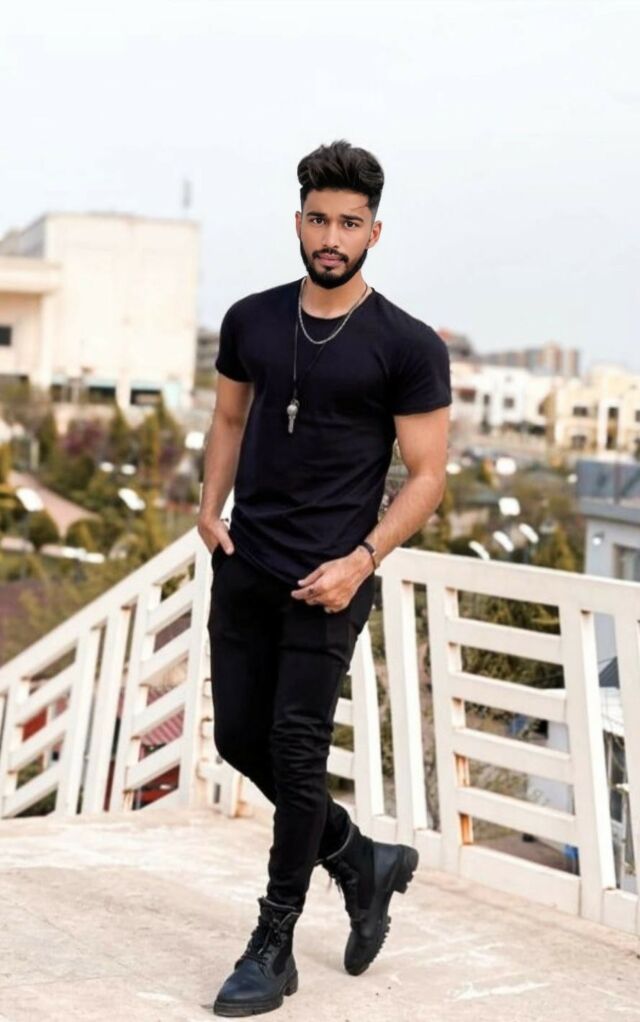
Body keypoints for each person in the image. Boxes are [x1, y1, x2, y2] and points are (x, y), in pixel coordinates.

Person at [198, 139, 451, 1017]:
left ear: (374, 232)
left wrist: (362, 559)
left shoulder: (406, 345)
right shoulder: (251, 320)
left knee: (297, 752)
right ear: (298, 221)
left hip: (332, 580)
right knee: (240, 740)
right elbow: (229, 418)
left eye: (349, 223)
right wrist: (208, 508)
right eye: (318, 219)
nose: (331, 237)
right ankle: (358, 858)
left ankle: (273, 943)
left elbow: (427, 476)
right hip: (247, 563)